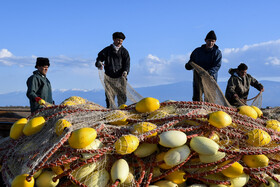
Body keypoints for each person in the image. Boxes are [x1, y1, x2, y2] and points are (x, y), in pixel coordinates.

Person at [95, 32, 130, 108]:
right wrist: (99, 63)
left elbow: (127, 64)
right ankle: (110, 112)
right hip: (109, 77)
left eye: (121, 41)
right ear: (114, 39)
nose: (120, 42)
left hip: (121, 78)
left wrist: (125, 71)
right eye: (118, 40)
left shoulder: (124, 52)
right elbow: (99, 59)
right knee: (109, 97)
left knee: (122, 96)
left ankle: (122, 112)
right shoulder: (107, 50)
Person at [185, 30, 222, 101]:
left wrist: (208, 73)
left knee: (210, 97)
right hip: (198, 77)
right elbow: (191, 62)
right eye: (209, 40)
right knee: (197, 96)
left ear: (215, 41)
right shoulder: (197, 51)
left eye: (212, 41)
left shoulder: (217, 53)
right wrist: (188, 66)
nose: (210, 43)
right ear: (205, 40)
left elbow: (217, 66)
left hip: (211, 78)